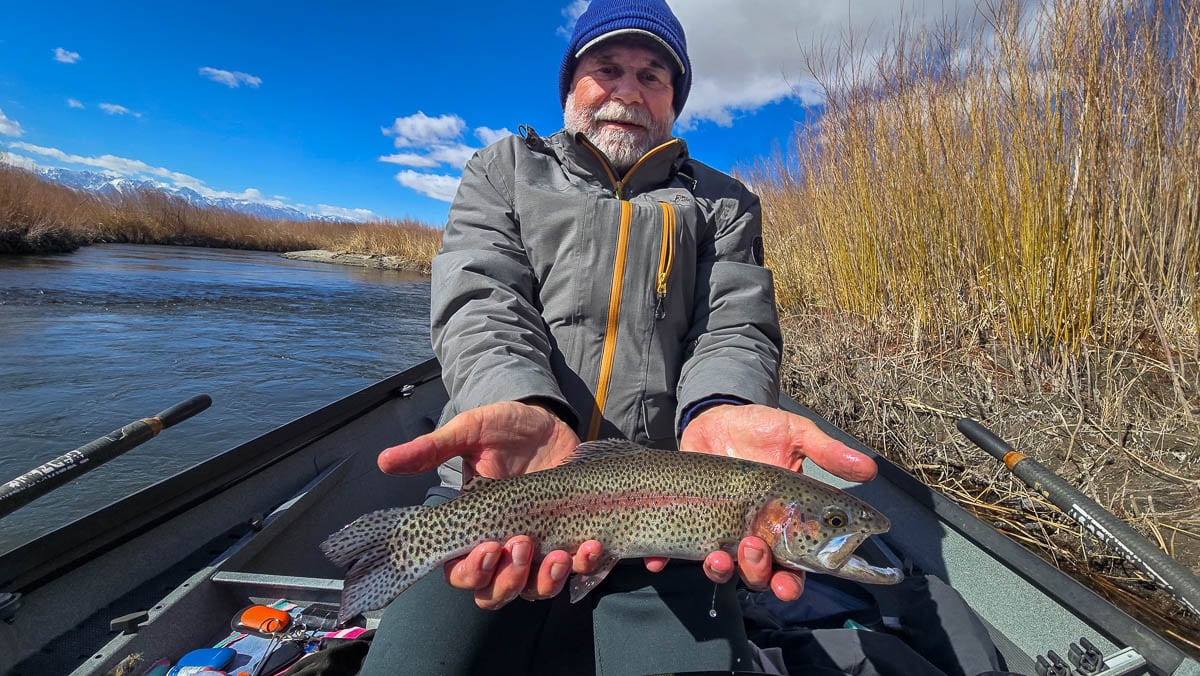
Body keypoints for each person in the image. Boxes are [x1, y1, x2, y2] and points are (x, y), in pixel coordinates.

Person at [358, 0, 878, 673]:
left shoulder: (723, 203)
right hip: (500, 481)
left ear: (674, 100)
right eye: (607, 69)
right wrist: (530, 407)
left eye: (652, 75)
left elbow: (734, 325)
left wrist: (720, 407)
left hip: (675, 509)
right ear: (572, 84)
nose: (627, 90)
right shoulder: (504, 170)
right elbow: (482, 303)